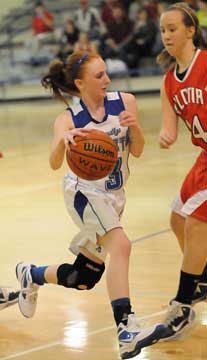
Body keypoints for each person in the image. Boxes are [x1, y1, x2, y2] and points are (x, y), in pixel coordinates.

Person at [15, 51, 166, 359]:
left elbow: (136, 151)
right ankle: (127, 328)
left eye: (106, 73)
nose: (107, 80)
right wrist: (64, 140)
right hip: (83, 193)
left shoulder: (125, 102)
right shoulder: (68, 118)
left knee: (83, 277)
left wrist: (135, 128)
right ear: (80, 83)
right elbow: (54, 163)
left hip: (113, 196)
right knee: (121, 245)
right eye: (99, 76)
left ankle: (32, 274)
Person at [156, 2, 207, 340]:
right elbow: (169, 129)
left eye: (172, 28)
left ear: (190, 31)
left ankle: (184, 303)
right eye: (162, 30)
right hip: (204, 157)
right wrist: (165, 136)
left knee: (196, 221)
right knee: (176, 218)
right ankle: (202, 278)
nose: (166, 35)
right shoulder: (168, 81)